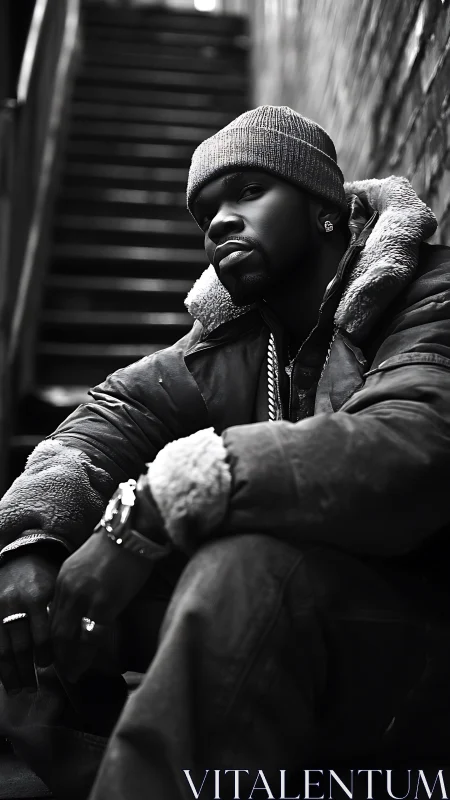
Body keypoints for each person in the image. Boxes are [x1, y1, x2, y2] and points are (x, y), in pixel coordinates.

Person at [0, 105, 450, 799]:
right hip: (324, 640)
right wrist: (32, 542)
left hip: (419, 629)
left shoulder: (427, 293)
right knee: (46, 605)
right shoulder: (235, 349)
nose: (218, 222)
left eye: (247, 191)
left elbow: (411, 448)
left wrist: (155, 506)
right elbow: (106, 421)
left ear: (324, 207)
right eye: (206, 210)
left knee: (244, 571)